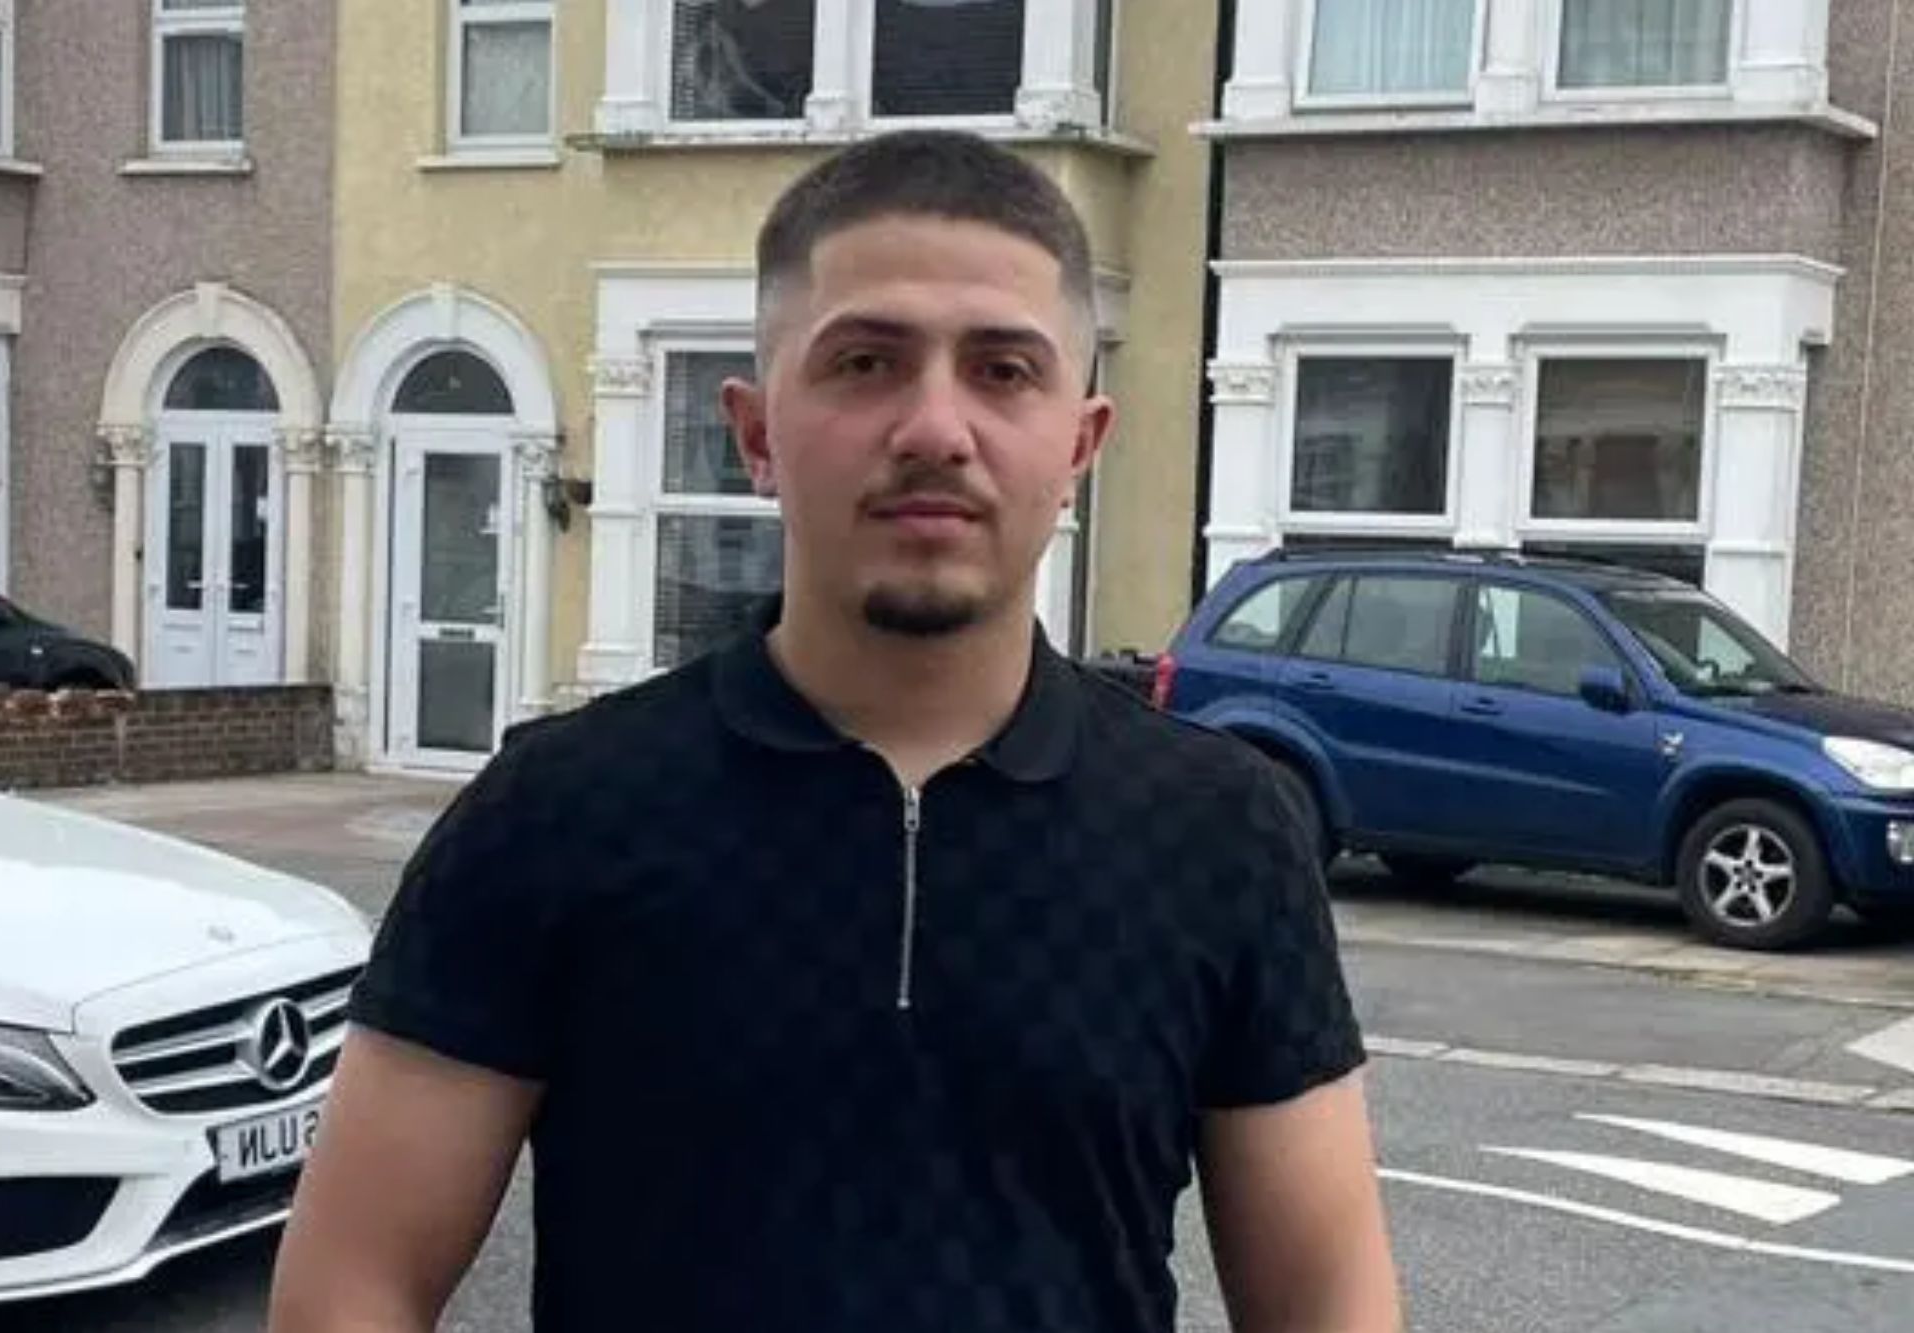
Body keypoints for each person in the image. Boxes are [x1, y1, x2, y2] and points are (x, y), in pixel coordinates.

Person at [269, 129, 1402, 1333]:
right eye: (865, 361)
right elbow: (357, 1282)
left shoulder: (1218, 834)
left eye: (1004, 370)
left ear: (1078, 445)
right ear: (755, 431)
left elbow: (1326, 1300)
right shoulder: (556, 811)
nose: (933, 426)